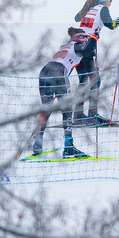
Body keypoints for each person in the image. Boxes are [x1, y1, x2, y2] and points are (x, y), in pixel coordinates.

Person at [30, 28, 97, 158]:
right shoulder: (77, 46)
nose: (85, 41)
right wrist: (94, 38)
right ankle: (68, 146)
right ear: (80, 38)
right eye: (84, 38)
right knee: (66, 110)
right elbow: (87, 51)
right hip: (59, 72)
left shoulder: (65, 46)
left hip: (45, 70)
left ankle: (38, 142)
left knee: (46, 108)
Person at [73, 0, 119, 125]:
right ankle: (92, 116)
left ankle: (78, 115)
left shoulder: (89, 7)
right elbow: (111, 25)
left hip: (76, 47)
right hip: (88, 48)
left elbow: (77, 18)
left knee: (83, 81)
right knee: (95, 80)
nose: (111, 2)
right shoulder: (102, 9)